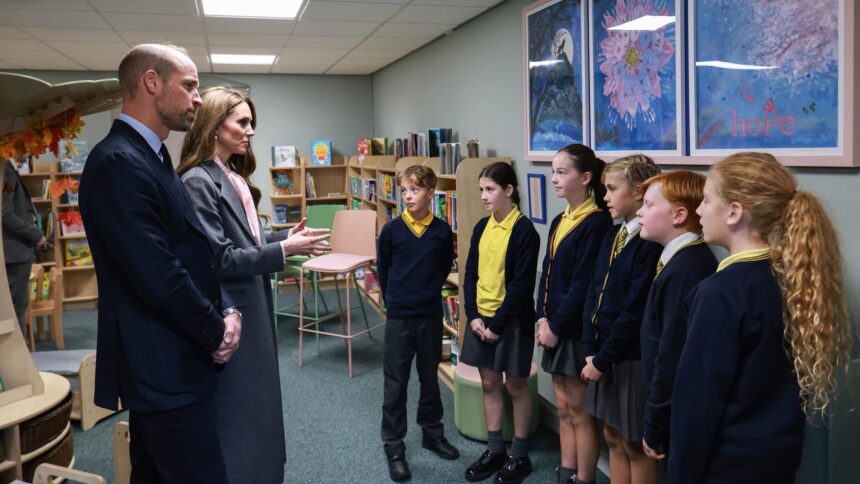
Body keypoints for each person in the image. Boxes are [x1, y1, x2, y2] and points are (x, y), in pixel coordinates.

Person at [79, 43, 239, 483]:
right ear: (152, 82)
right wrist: (215, 331)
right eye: (189, 86)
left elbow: (192, 249)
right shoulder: (117, 162)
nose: (198, 99)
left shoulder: (151, 154)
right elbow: (157, 274)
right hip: (162, 366)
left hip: (173, 357)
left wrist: (227, 307)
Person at [177, 86, 330, 484]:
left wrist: (282, 238)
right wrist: (282, 251)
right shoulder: (198, 180)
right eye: (242, 122)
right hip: (233, 310)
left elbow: (247, 240)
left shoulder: (232, 174)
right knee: (241, 408)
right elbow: (219, 259)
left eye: (251, 123)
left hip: (254, 302)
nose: (250, 131)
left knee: (258, 402)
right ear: (214, 126)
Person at [669, 153, 852, 483]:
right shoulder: (794, 280)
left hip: (726, 466)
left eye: (707, 200)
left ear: (734, 212)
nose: (698, 210)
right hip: (777, 458)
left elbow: (698, 404)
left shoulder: (719, 294)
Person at [581, 155, 661, 484]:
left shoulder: (649, 244)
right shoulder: (614, 234)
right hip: (602, 352)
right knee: (612, 435)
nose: (606, 197)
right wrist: (591, 347)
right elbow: (593, 291)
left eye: (612, 189)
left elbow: (634, 311)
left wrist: (603, 358)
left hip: (627, 357)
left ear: (639, 192)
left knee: (632, 443)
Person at [376, 165, 458, 482]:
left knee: (429, 378)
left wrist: (424, 295)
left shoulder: (440, 231)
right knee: (395, 384)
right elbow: (383, 269)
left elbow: (441, 268)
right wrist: (394, 300)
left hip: (429, 316)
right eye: (405, 190)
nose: (408, 196)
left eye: (415, 190)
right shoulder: (392, 231)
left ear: (430, 193)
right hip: (399, 317)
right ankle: (394, 446)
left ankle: (432, 433)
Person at [535, 145, 612, 484]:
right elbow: (547, 272)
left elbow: (582, 284)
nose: (554, 179)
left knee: (581, 413)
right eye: (553, 172)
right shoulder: (560, 219)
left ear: (585, 177)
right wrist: (541, 318)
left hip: (573, 331)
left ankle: (583, 478)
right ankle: (566, 471)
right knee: (563, 407)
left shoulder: (596, 222)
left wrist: (556, 326)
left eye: (561, 172)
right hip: (552, 326)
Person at [461, 162, 540, 484]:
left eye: (490, 189)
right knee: (490, 384)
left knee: (517, 386)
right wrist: (474, 315)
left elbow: (521, 286)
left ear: (508, 190)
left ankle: (519, 456)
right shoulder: (482, 227)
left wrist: (497, 324)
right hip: (481, 320)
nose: (483, 196)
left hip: (511, 322)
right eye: (481, 189)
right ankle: (495, 451)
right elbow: (470, 274)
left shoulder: (525, 231)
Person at [635, 171, 717, 462]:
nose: (639, 212)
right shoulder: (679, 261)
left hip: (678, 409)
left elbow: (671, 352)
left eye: (648, 205)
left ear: (679, 215)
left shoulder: (686, 268)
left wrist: (656, 421)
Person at [3, 158, 49, 333]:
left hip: (14, 252)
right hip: (14, 253)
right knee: (16, 310)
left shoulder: (9, 168)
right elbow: (5, 214)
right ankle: (20, 358)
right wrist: (35, 234)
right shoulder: (6, 169)